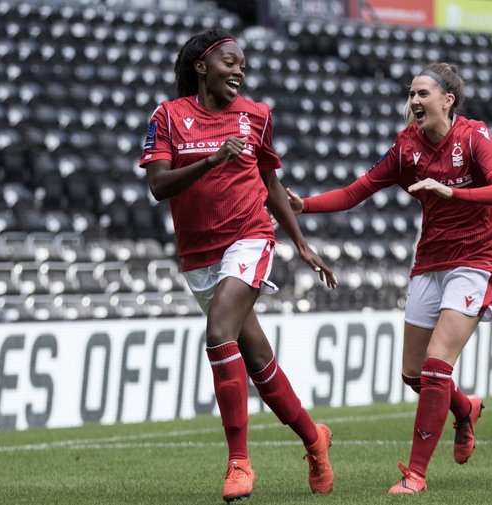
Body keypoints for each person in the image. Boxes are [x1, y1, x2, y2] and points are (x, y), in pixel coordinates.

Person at [287, 62, 492, 494]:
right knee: (413, 373)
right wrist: (306, 206)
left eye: (423, 94)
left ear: (447, 100)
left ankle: (416, 475)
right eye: (411, 94)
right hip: (430, 261)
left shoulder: (473, 136)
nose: (414, 101)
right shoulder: (406, 145)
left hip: (476, 259)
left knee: (434, 367)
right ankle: (465, 409)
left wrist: (453, 192)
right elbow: (358, 190)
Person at [138, 28, 336, 502]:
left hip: (249, 236)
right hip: (198, 255)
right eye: (230, 61)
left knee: (218, 332)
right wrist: (210, 161)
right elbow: (159, 186)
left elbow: (269, 181)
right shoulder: (168, 116)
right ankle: (314, 440)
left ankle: (239, 464)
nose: (240, 70)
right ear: (202, 67)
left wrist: (301, 243)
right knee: (258, 360)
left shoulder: (257, 116)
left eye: (243, 64)